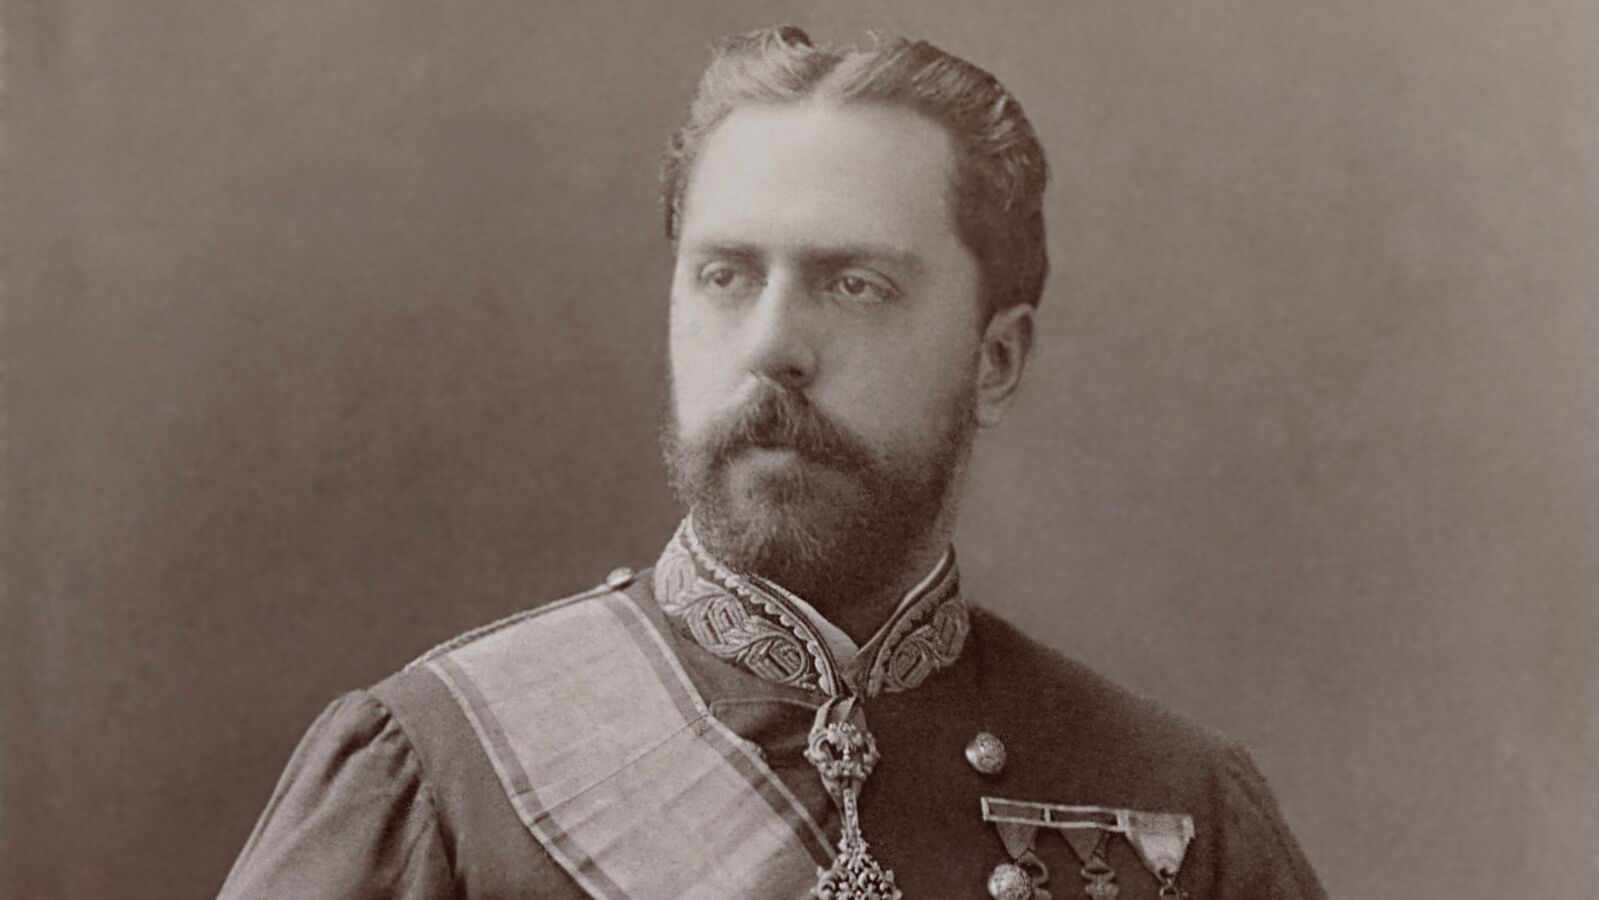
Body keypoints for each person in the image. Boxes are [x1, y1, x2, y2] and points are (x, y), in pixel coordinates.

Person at [221, 25, 1327, 900]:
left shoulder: (1176, 806)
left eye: (856, 285)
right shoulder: (439, 772)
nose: (771, 347)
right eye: (726, 277)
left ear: (995, 360)